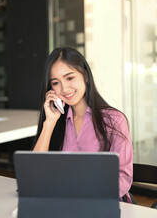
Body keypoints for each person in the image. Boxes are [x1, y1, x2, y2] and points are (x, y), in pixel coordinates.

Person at [33, 47, 133, 203]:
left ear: (85, 75)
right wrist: (50, 122)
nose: (64, 89)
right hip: (64, 204)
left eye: (69, 78)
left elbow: (123, 178)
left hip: (103, 204)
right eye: (56, 83)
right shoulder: (57, 122)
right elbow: (35, 174)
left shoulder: (114, 120)